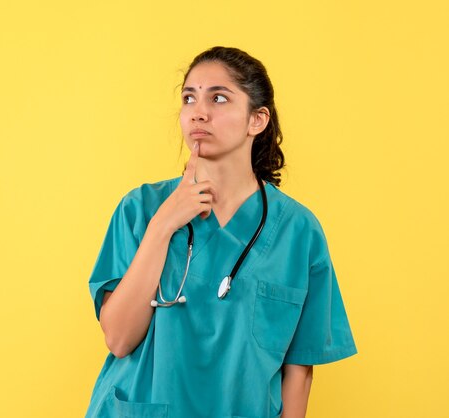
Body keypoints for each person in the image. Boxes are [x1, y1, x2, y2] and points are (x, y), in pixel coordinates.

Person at [85, 46, 357, 418]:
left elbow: (299, 368)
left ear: (256, 120)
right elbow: (118, 338)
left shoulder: (298, 231)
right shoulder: (141, 209)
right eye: (189, 98)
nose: (199, 111)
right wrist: (163, 225)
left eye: (218, 98)